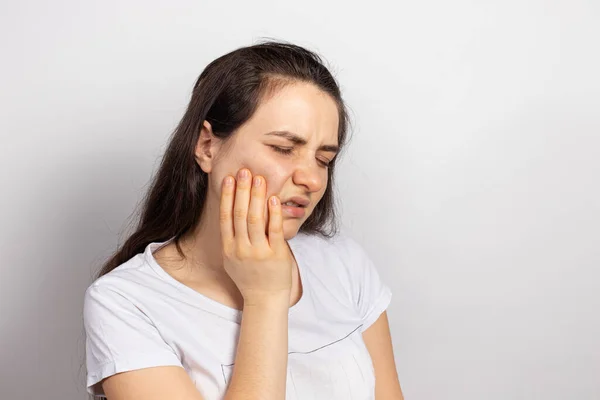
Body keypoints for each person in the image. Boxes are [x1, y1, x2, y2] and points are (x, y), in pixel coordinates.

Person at [83, 40, 404, 400]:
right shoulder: (126, 303)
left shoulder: (344, 264)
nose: (312, 180)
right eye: (284, 149)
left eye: (324, 159)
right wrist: (265, 298)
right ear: (207, 146)